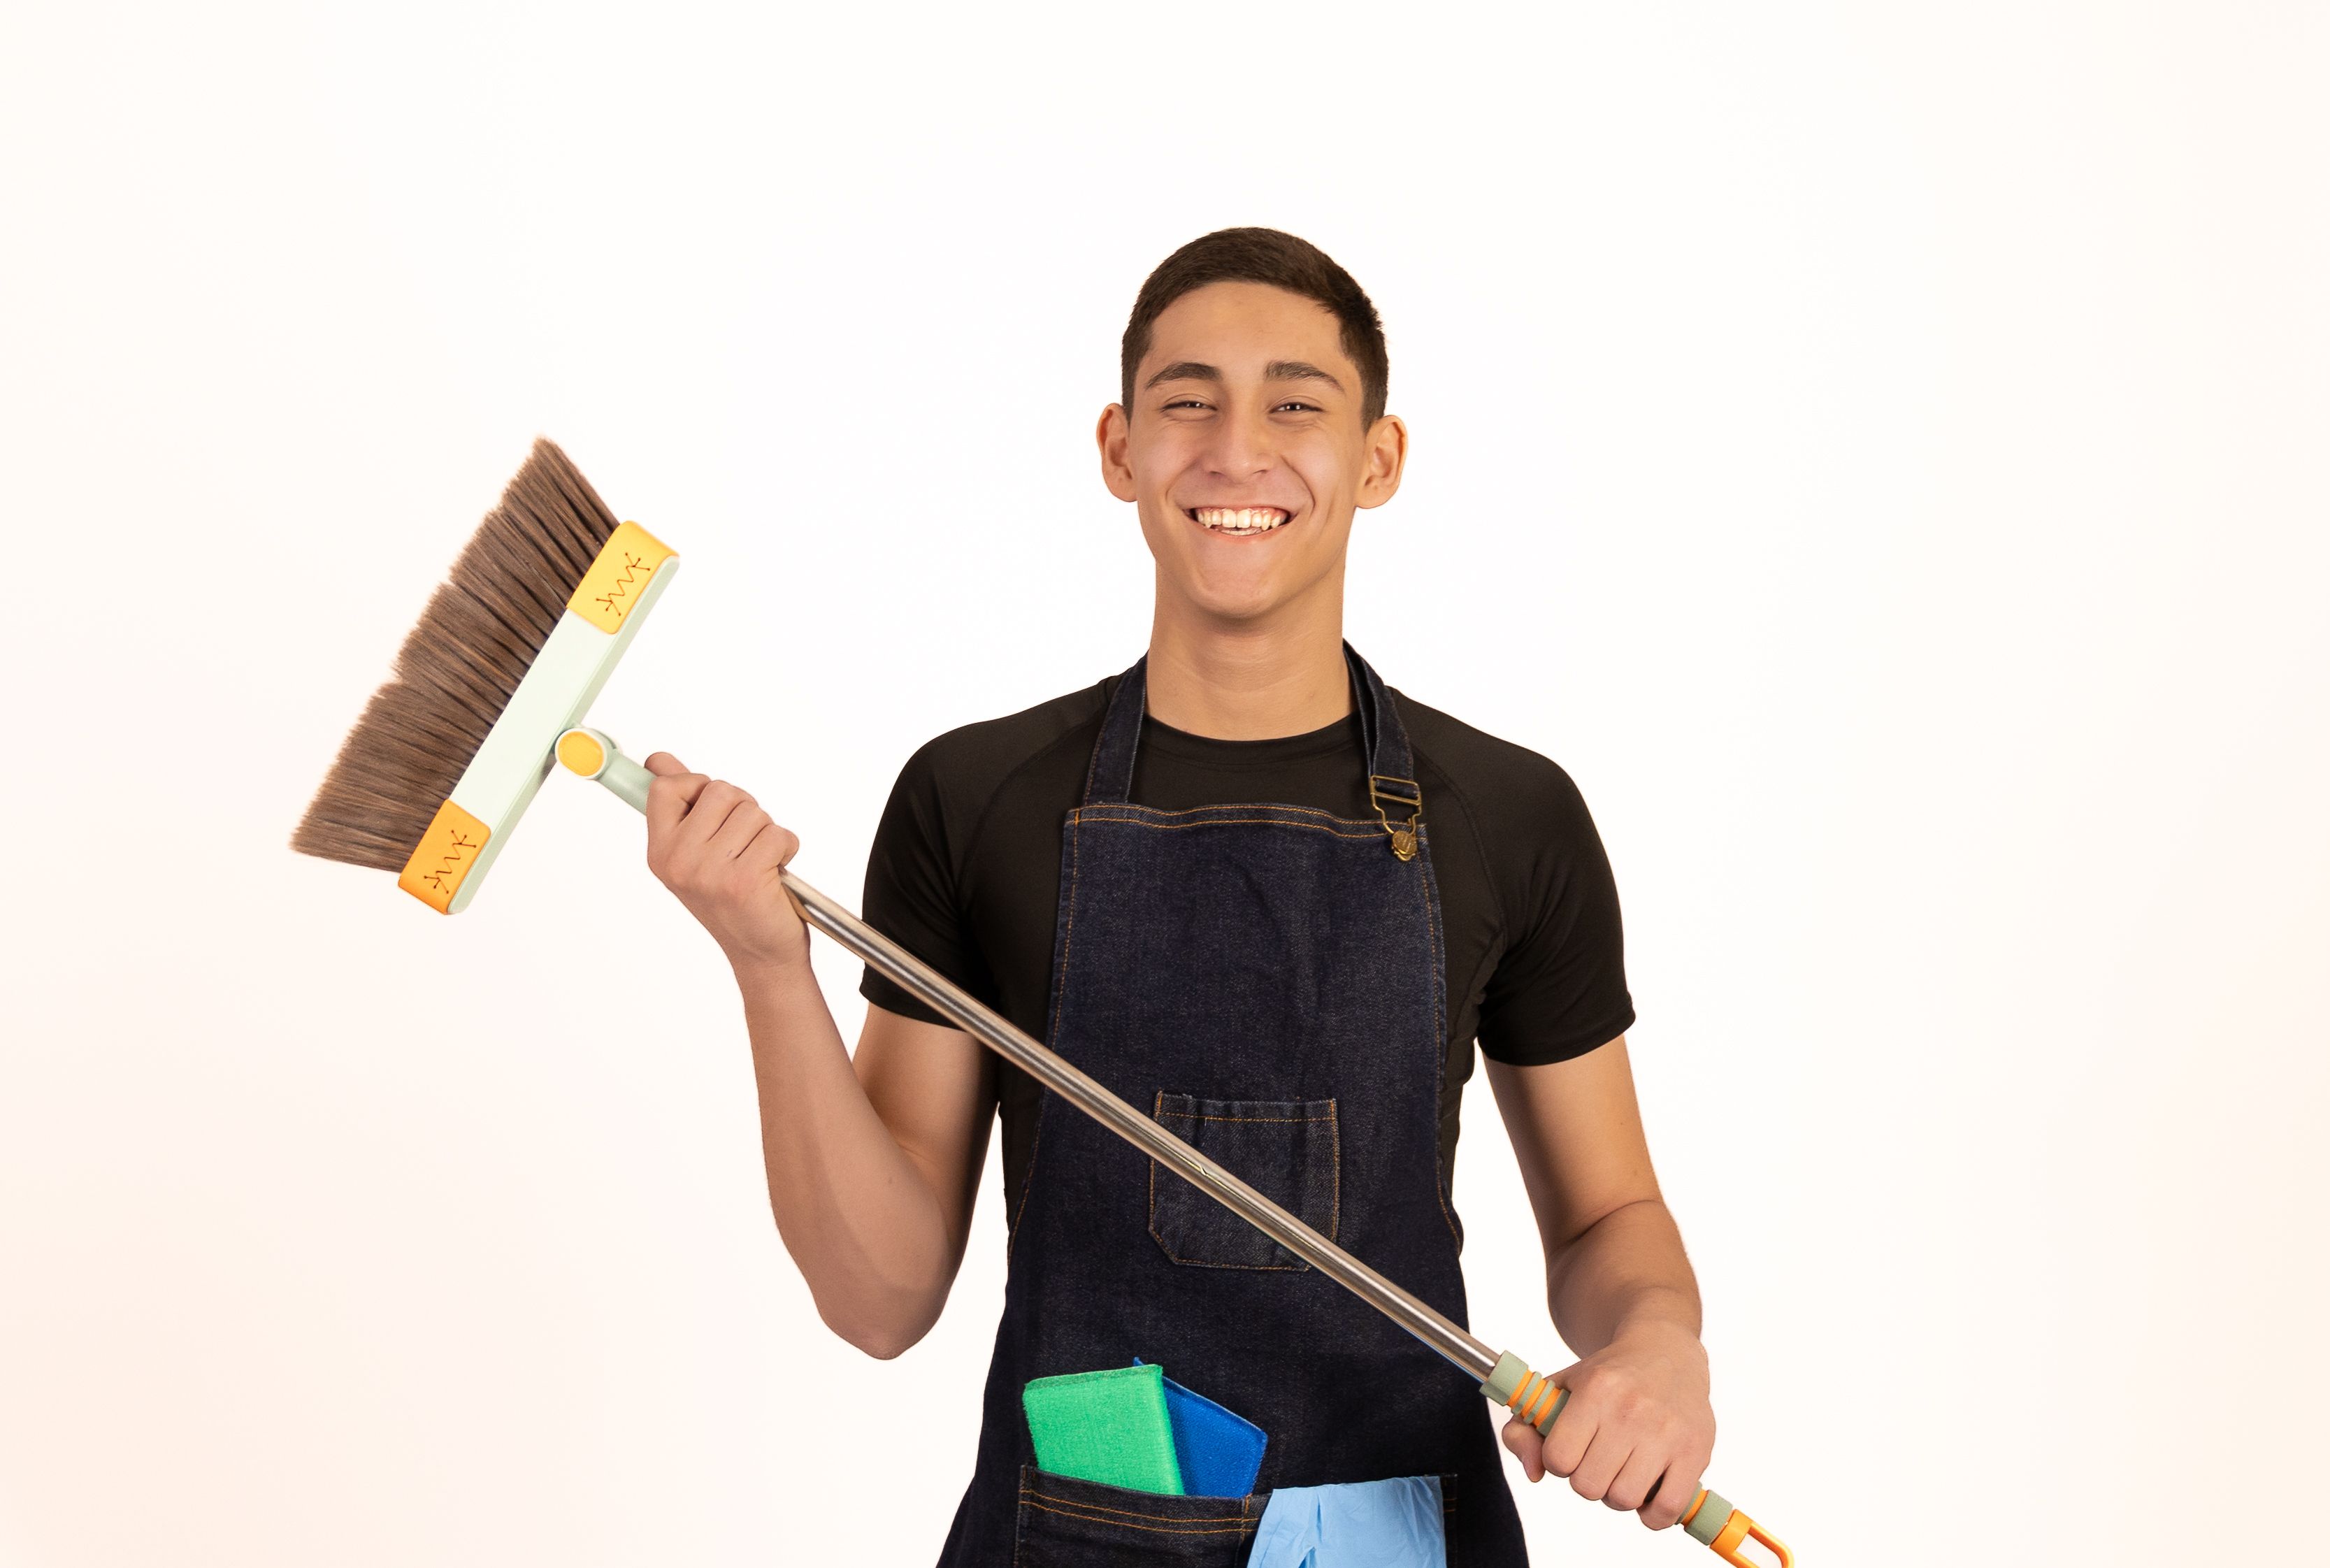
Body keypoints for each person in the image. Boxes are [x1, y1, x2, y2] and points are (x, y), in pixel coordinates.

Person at [640, 227, 1716, 1565]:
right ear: (1119, 448)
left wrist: (1659, 1345)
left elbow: (1610, 1219)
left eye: (1296, 405)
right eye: (1188, 400)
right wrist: (766, 970)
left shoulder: (1507, 814)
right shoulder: (977, 800)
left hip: (1394, 1532)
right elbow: (880, 1296)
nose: (1236, 448)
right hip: (1079, 1537)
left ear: (1375, 461)